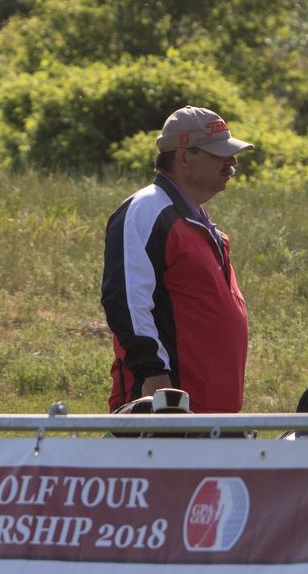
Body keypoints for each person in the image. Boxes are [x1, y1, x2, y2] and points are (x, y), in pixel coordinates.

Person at [101, 106, 255, 413]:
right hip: (166, 405)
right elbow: (126, 300)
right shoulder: (147, 209)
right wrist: (153, 375)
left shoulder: (195, 220)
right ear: (184, 158)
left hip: (207, 410)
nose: (232, 162)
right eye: (219, 153)